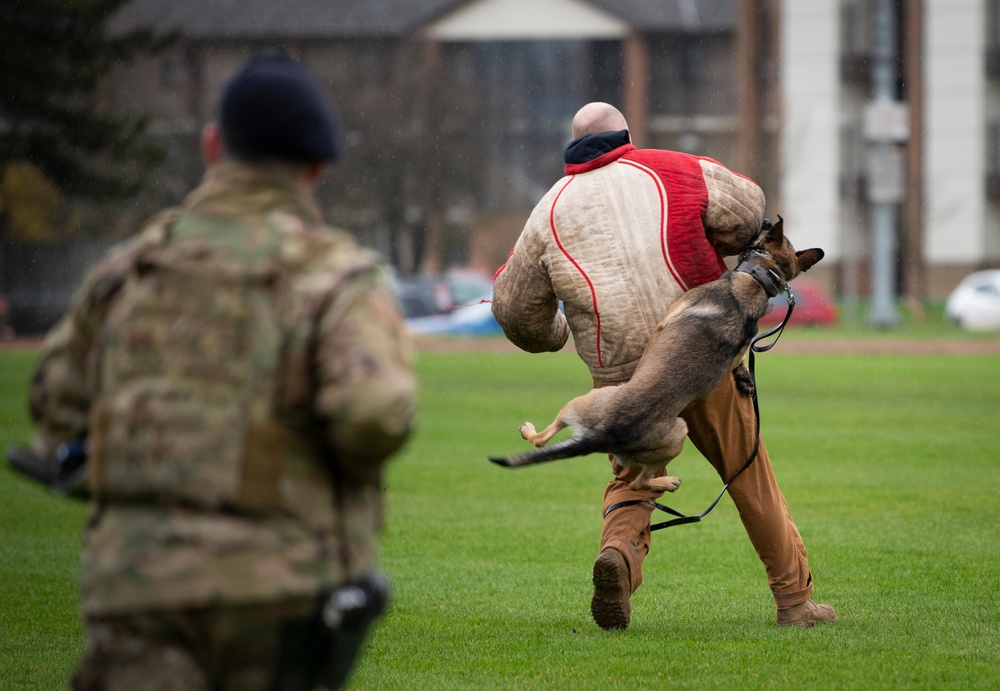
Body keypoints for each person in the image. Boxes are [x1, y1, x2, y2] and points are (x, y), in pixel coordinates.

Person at [25, 51, 416, 690]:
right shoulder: (335, 277)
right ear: (315, 170)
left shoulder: (128, 271)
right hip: (278, 590)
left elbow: (53, 405)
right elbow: (374, 413)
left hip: (136, 589)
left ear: (213, 147)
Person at [491, 102, 836, 630]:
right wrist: (727, 246)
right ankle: (794, 601)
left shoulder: (546, 214)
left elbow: (514, 312)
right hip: (705, 349)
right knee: (748, 474)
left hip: (622, 373)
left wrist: (559, 331)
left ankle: (620, 560)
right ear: (624, 134)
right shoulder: (675, 169)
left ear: (572, 144)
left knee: (634, 478)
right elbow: (747, 211)